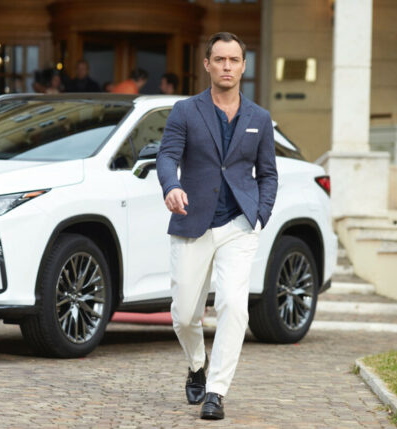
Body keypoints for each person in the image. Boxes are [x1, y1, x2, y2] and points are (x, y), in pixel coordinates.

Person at [156, 32, 278, 420]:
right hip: (192, 221)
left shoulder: (259, 118)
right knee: (184, 314)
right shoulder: (185, 111)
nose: (227, 66)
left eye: (234, 60)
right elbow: (167, 155)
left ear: (244, 66)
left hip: (239, 224)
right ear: (207, 65)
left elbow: (268, 174)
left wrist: (261, 212)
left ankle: (216, 391)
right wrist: (171, 186)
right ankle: (197, 364)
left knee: (233, 305)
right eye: (220, 59)